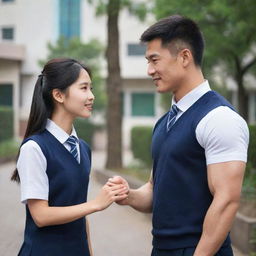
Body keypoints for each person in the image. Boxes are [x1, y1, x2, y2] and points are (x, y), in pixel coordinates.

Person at [108, 15, 249, 256]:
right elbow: (155, 189)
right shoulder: (166, 121)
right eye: (147, 61)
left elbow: (226, 202)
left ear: (184, 57)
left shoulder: (219, 118)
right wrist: (128, 195)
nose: (149, 70)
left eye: (155, 60)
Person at [11, 58, 128, 256]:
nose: (91, 96)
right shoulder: (34, 148)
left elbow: (80, 213)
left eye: (91, 88)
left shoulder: (83, 149)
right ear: (58, 95)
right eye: (83, 88)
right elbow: (40, 215)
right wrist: (95, 204)